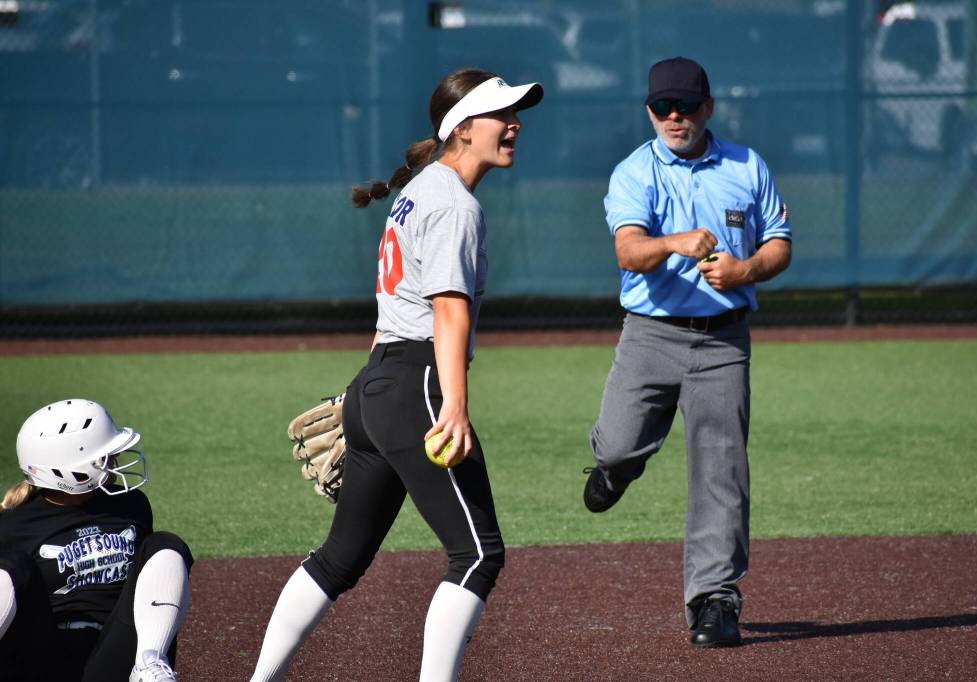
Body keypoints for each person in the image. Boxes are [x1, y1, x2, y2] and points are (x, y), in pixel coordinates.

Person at [249, 68, 543, 682]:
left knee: (339, 559)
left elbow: (393, 311)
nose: (515, 124)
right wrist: (453, 406)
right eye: (502, 114)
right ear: (463, 128)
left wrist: (367, 397)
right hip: (417, 387)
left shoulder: (420, 190)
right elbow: (448, 311)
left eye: (516, 113)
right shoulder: (454, 203)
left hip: (379, 382)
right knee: (477, 555)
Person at [583, 56, 792, 648]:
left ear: (709, 108)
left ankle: (714, 598)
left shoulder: (747, 166)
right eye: (662, 107)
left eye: (687, 106)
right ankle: (616, 468)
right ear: (649, 111)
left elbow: (780, 244)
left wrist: (746, 269)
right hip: (651, 334)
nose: (675, 117)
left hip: (723, 339)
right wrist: (674, 242)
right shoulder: (635, 172)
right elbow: (628, 252)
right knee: (618, 443)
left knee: (721, 469)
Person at [0, 398, 193, 681]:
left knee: (165, 545)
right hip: (42, 659)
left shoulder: (131, 505)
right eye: (104, 456)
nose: (115, 461)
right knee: (8, 565)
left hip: (115, 653)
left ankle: (148, 666)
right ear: (70, 467)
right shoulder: (13, 525)